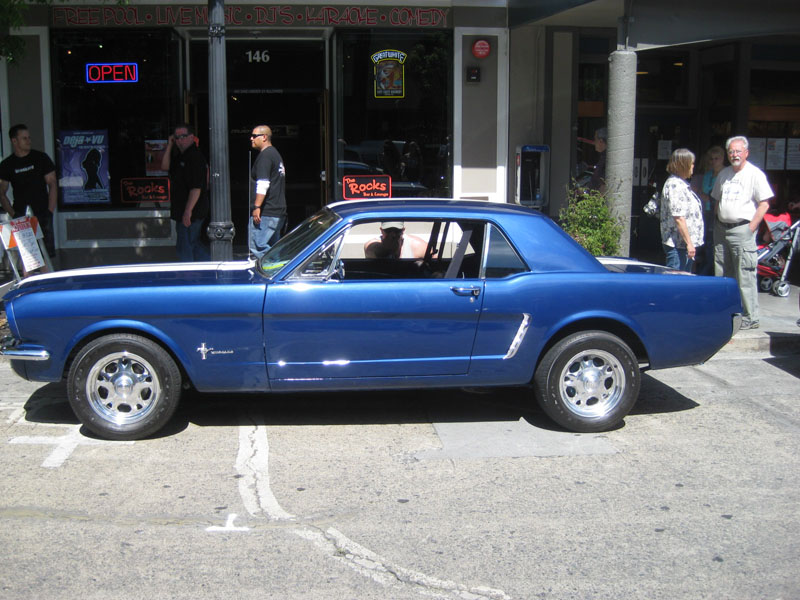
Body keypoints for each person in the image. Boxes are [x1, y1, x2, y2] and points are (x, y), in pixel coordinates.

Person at [712, 135, 774, 330]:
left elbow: (764, 203)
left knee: (745, 274)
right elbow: (716, 200)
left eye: (738, 151)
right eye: (731, 151)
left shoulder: (755, 174)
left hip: (742, 230)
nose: (734, 154)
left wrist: (751, 227)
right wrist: (717, 221)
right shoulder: (724, 174)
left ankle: (750, 316)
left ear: (746, 152)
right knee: (722, 273)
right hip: (722, 229)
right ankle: (727, 311)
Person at [0, 124, 58, 256]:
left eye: (29, 138)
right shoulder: (7, 165)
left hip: (42, 212)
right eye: (24, 138)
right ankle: (29, 277)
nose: (28, 141)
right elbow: (2, 192)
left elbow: (52, 183)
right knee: (28, 257)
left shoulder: (41, 158)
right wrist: (14, 214)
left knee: (45, 256)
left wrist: (49, 210)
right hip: (22, 215)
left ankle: (46, 276)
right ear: (14, 141)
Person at [161, 123, 210, 261]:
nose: (180, 140)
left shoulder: (195, 157)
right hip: (183, 210)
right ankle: (203, 271)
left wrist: (188, 212)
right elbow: (164, 166)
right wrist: (170, 145)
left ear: (191, 137)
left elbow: (196, 188)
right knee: (189, 245)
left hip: (192, 212)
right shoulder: (180, 157)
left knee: (188, 246)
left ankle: (199, 272)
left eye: (183, 136)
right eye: (176, 137)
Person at [660, 148, 704, 272]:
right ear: (683, 165)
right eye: (692, 163)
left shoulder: (682, 184)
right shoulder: (675, 185)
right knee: (676, 282)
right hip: (678, 245)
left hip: (683, 246)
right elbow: (679, 217)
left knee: (684, 281)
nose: (693, 166)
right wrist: (689, 243)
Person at [248, 125, 286, 259]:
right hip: (276, 211)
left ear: (264, 137)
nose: (251, 138)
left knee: (258, 245)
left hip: (267, 211)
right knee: (273, 248)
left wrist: (257, 206)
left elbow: (263, 183)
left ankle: (276, 272)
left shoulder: (266, 156)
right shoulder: (274, 154)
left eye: (254, 136)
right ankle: (279, 272)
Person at [692, 145, 725, 275]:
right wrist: (705, 196)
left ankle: (706, 273)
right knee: (703, 243)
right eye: (711, 159)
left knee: (712, 245)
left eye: (716, 158)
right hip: (704, 212)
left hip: (717, 213)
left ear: (722, 158)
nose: (713, 161)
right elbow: (702, 192)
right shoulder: (707, 175)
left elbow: (717, 196)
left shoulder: (725, 174)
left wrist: (708, 197)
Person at [588, 127, 607, 193]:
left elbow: (604, 184)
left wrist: (596, 200)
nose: (593, 142)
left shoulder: (607, 159)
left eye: (595, 139)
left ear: (601, 141)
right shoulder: (603, 157)